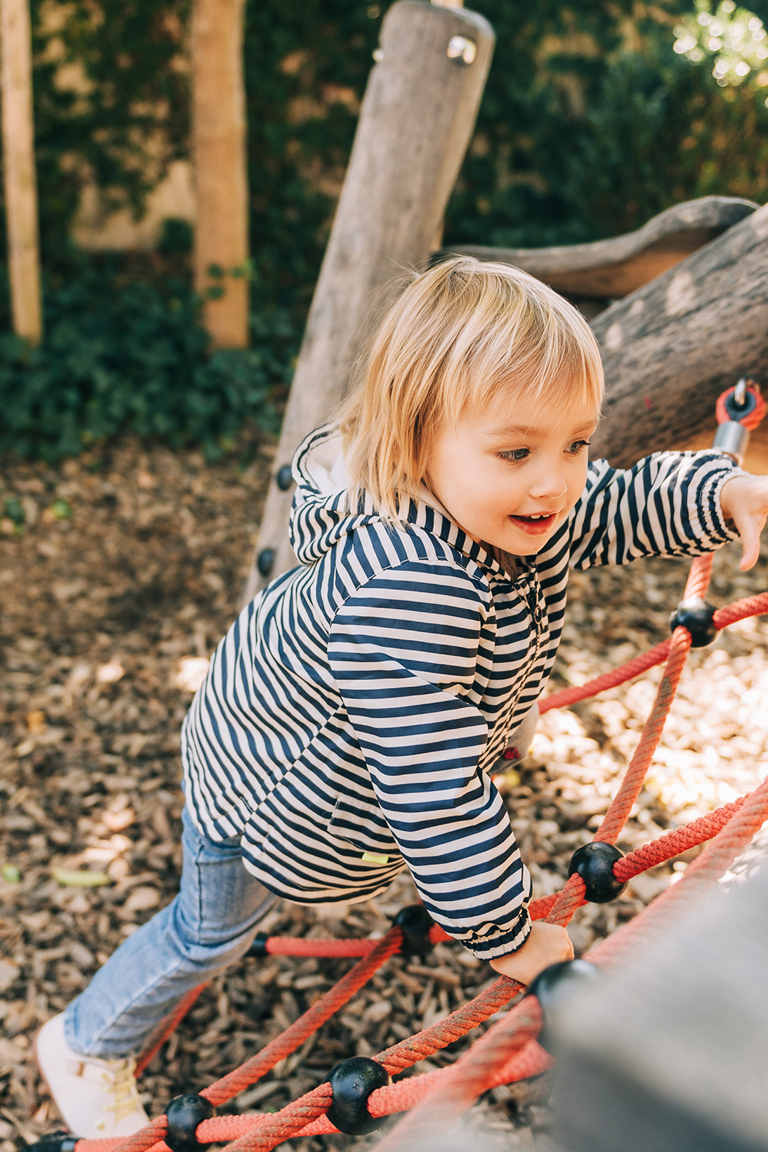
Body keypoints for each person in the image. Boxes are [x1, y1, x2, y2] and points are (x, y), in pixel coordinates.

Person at [34, 257, 768, 1138]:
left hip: (341, 741)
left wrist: (722, 491)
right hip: (262, 793)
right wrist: (503, 930)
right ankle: (83, 1042)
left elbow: (613, 503)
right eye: (518, 451)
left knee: (439, 731)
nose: (556, 479)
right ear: (418, 440)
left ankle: (483, 767)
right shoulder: (411, 589)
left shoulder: (503, 500)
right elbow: (430, 782)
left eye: (574, 442)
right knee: (208, 929)